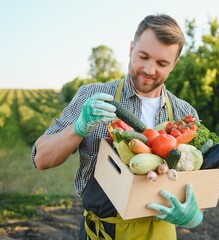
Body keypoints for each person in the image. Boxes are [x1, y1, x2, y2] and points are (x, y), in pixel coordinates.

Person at [31, 14, 204, 239]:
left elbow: (198, 189)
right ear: (131, 48)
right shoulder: (93, 96)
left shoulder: (185, 115)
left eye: (162, 63)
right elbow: (41, 159)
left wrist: (195, 216)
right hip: (103, 232)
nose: (150, 69)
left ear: (175, 63)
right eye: (143, 56)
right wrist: (79, 127)